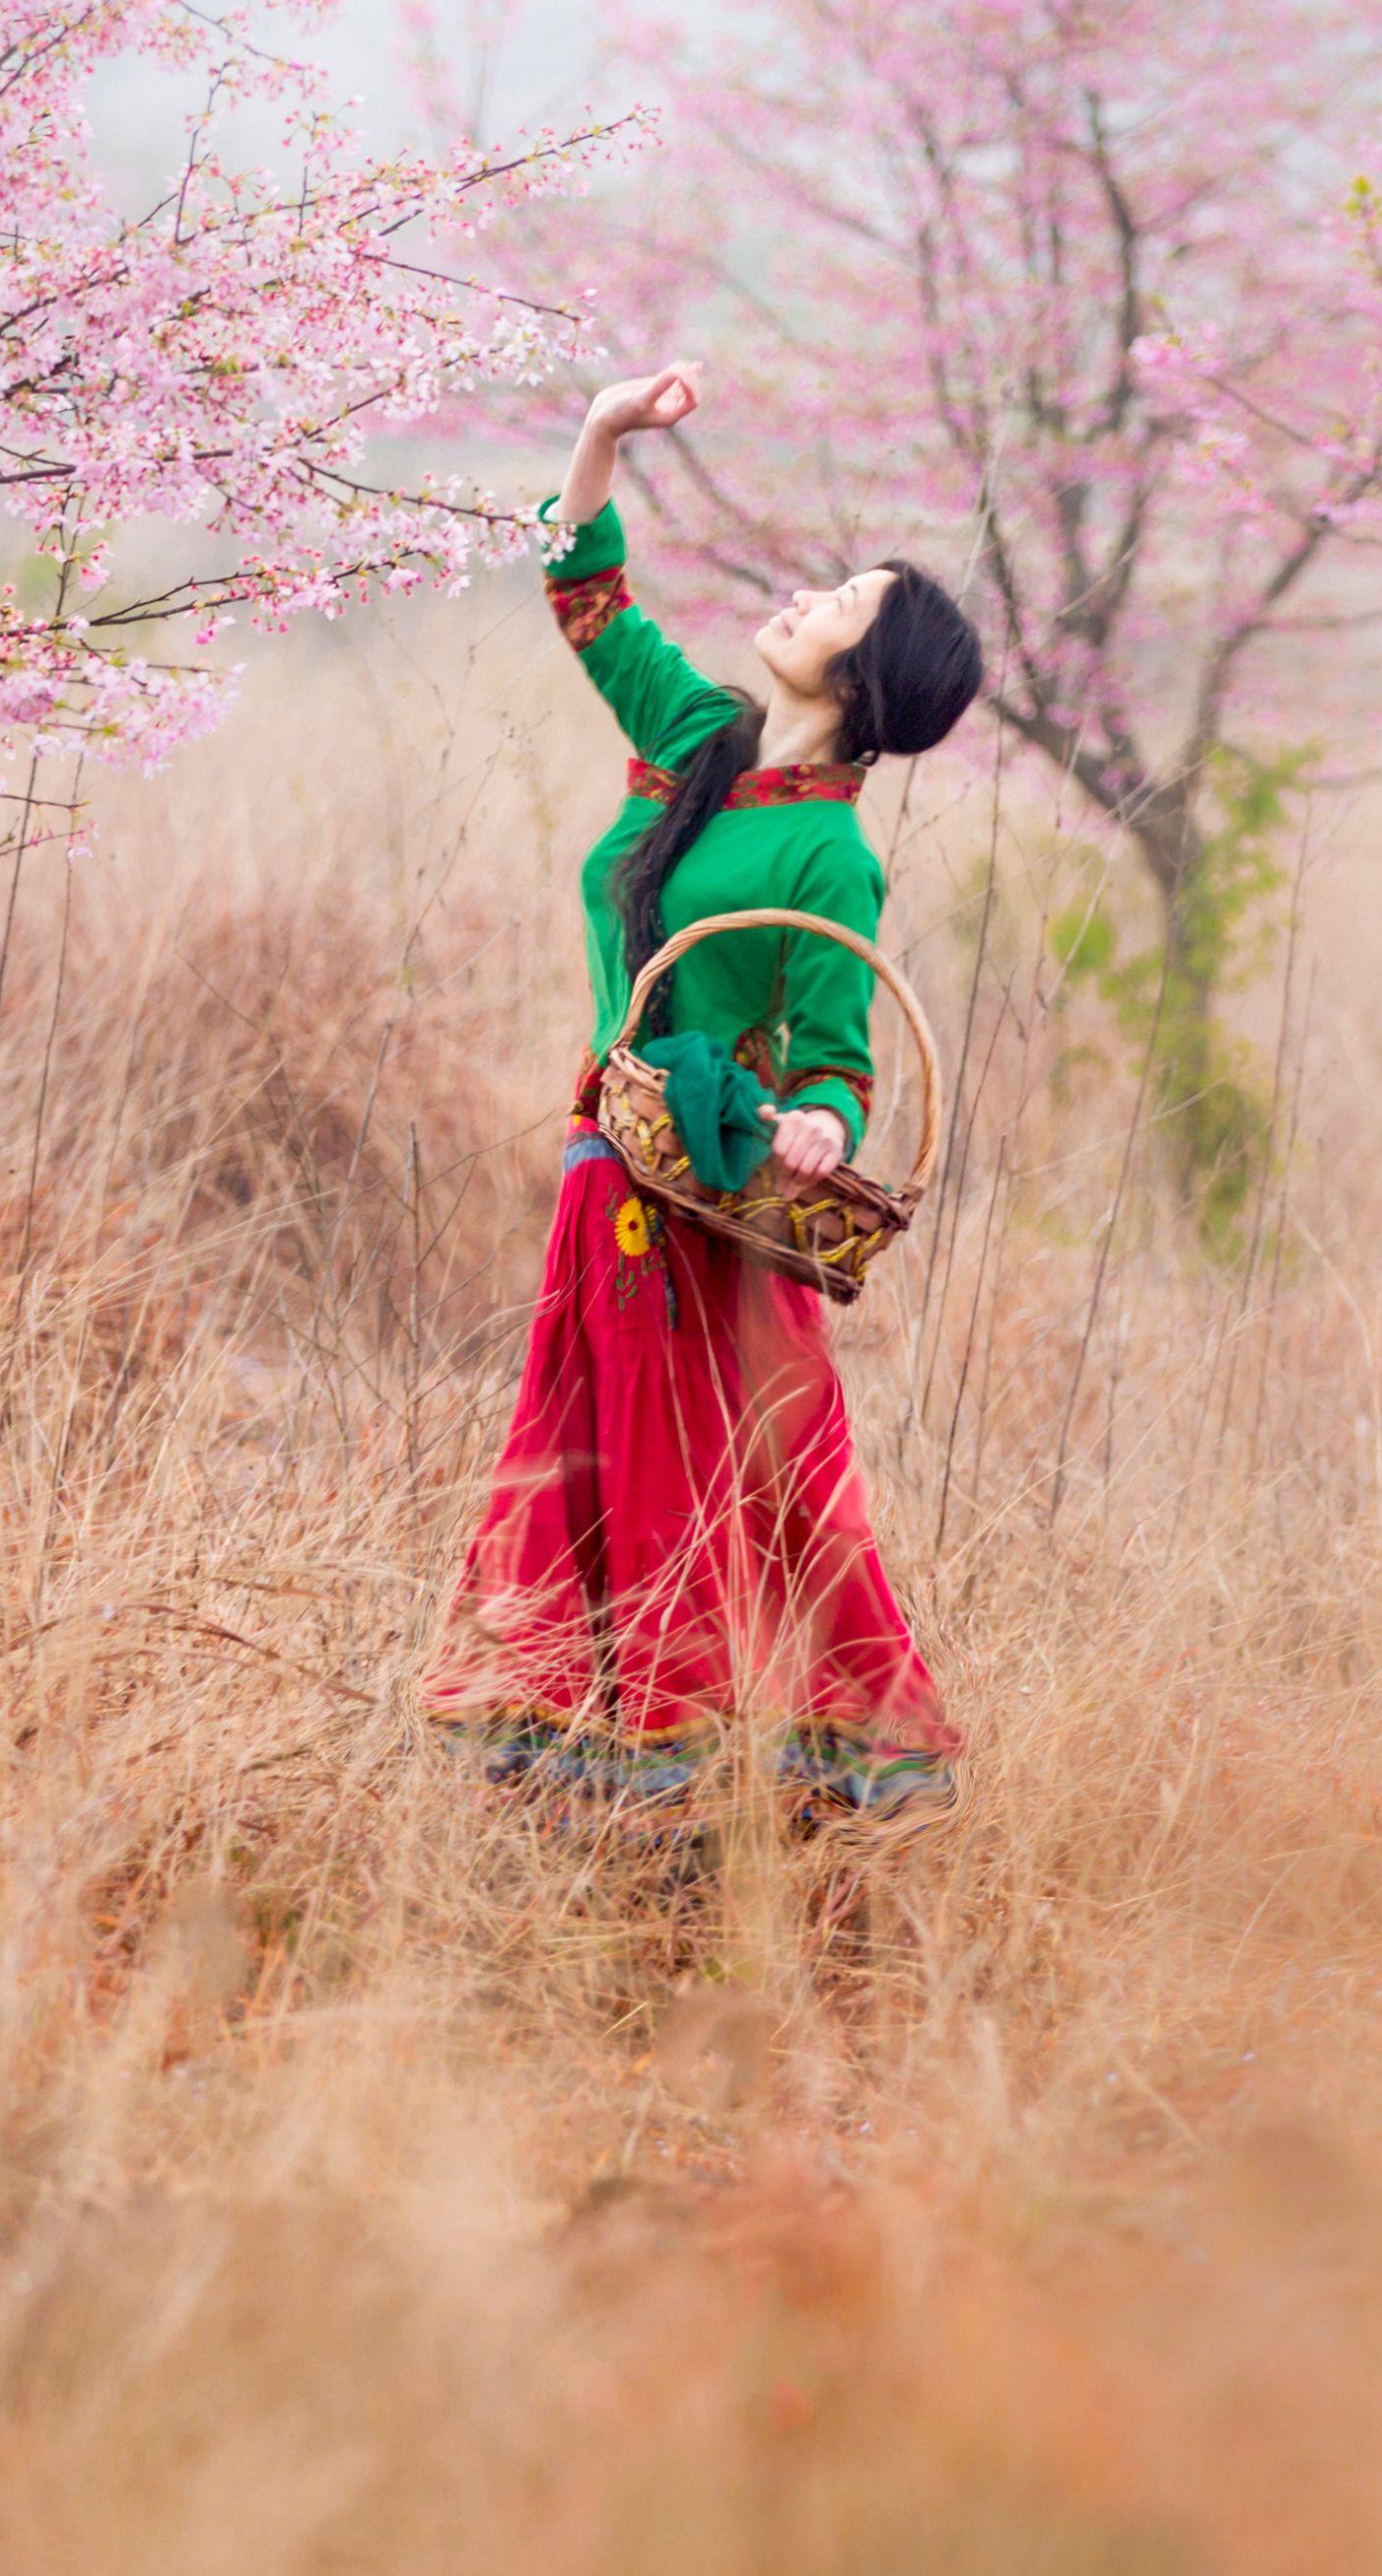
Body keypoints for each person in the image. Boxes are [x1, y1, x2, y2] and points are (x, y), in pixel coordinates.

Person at [430, 363, 984, 1832]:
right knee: (589, 1451)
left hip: (713, 1199)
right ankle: (594, 1761)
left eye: (837, 609)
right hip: (603, 1169)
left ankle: (821, 1762)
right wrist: (605, 433)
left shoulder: (830, 858)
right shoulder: (697, 743)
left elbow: (837, 1053)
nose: (802, 602)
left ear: (861, 686)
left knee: (766, 1476)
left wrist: (819, 1127)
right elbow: (590, 600)